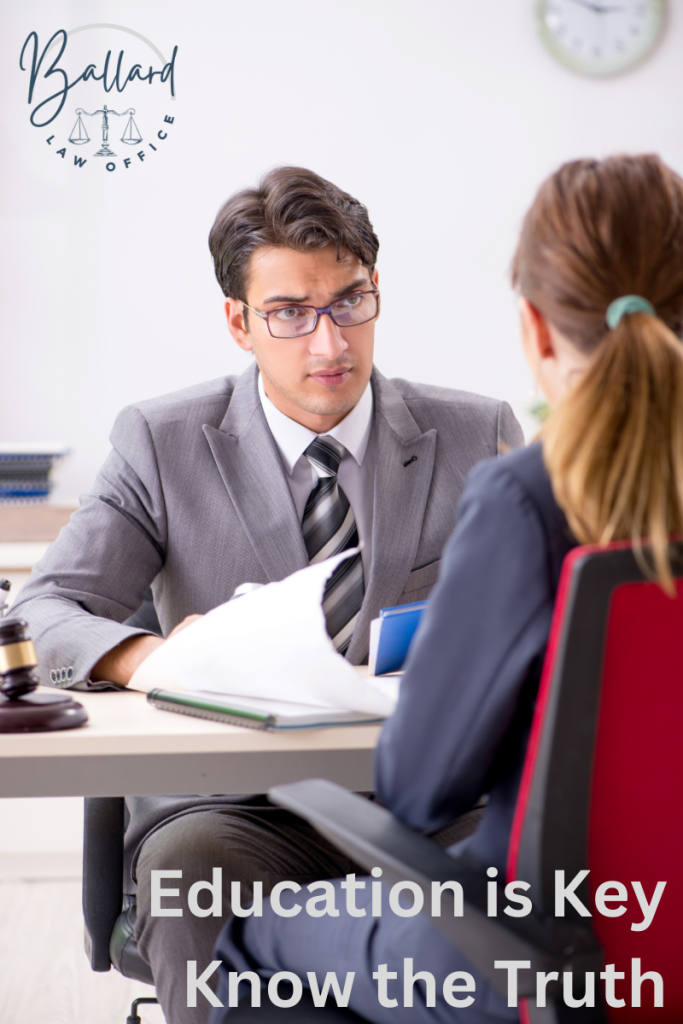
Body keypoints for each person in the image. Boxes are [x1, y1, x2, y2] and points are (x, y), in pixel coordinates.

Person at [13, 166, 522, 1023]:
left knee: (560, 876)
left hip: (441, 807)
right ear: (238, 323)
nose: (328, 344)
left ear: (375, 293)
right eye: (290, 313)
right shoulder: (161, 441)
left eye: (348, 302)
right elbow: (37, 614)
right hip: (244, 811)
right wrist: (155, 658)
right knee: (189, 868)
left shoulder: (478, 433)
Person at [211, 153, 683, 1023]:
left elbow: (420, 791)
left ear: (537, 330)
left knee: (250, 943)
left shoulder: (529, 498)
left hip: (549, 952)